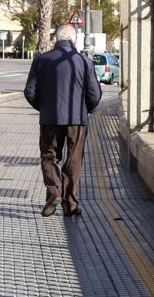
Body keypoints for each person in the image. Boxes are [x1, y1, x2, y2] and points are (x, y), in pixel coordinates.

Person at [23, 24, 103, 217]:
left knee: (48, 156)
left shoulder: (41, 60)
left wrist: (44, 109)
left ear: (56, 39)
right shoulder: (84, 62)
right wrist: (85, 110)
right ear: (74, 40)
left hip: (49, 119)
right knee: (74, 160)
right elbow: (94, 94)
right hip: (77, 120)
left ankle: (54, 192)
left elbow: (29, 92)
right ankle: (70, 205)